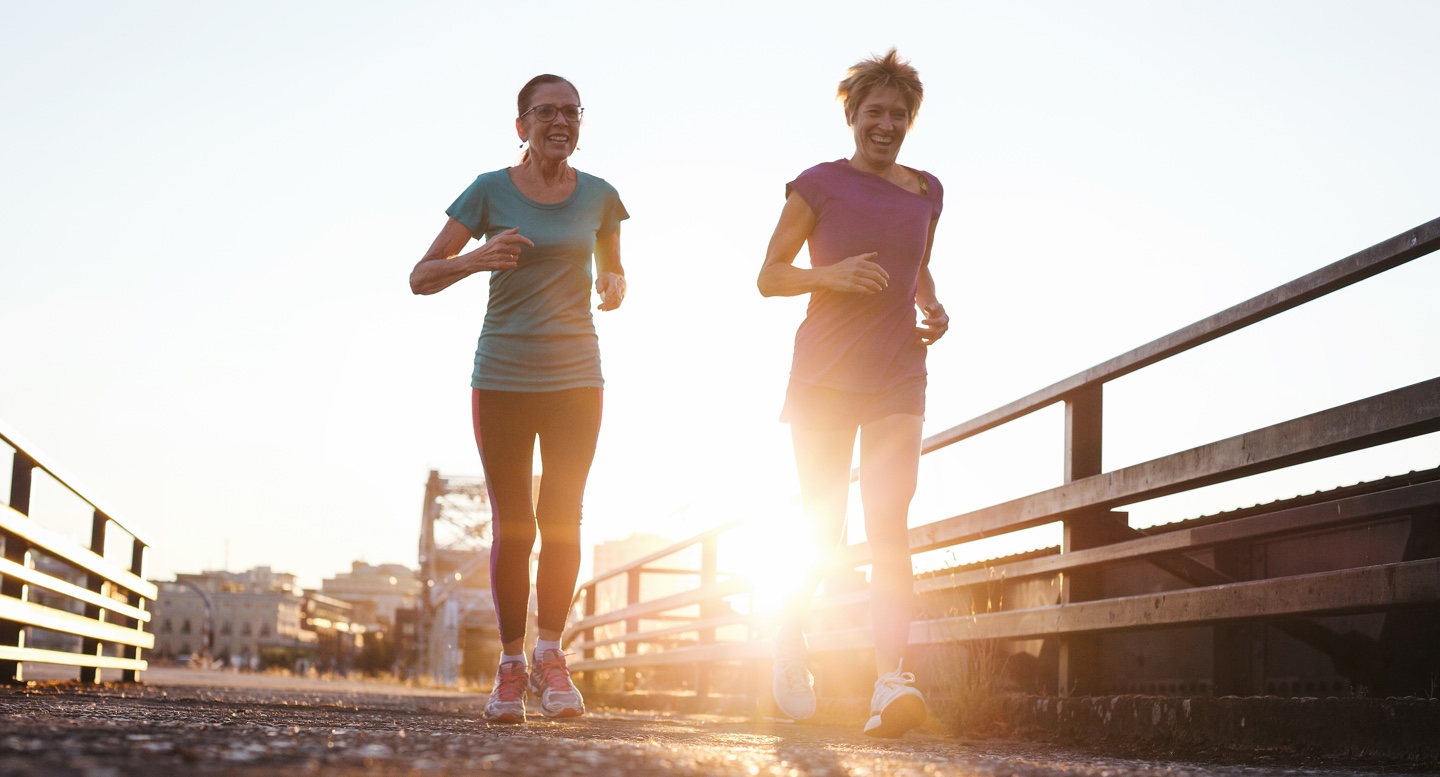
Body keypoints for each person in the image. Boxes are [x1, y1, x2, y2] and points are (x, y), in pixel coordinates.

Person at [409, 74, 628, 723]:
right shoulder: (488, 190)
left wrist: (616, 285)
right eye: (546, 111)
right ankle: (510, 668)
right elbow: (420, 276)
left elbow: (614, 268)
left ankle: (552, 657)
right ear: (521, 125)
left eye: (571, 111)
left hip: (577, 377)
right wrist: (477, 259)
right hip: (503, 374)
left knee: (564, 515)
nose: (560, 121)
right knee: (516, 522)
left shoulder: (602, 197)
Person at [756, 48, 948, 739]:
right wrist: (831, 277)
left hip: (900, 368)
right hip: (825, 374)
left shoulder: (928, 190)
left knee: (889, 524)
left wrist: (932, 304)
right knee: (825, 526)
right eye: (875, 112)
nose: (887, 124)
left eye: (899, 114)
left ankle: (889, 678)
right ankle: (787, 639)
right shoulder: (817, 186)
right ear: (852, 116)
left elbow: (917, 263)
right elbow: (769, 276)